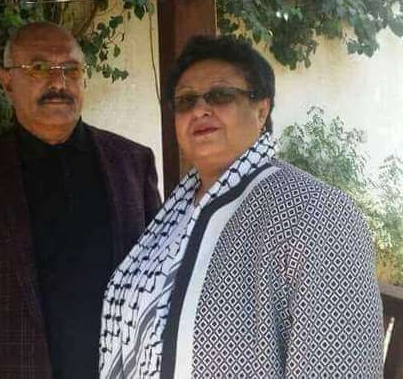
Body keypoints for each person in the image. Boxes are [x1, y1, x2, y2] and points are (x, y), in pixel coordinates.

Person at [100, 35, 383, 378]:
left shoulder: (315, 211)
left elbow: (340, 366)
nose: (199, 110)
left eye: (220, 95)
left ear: (261, 110)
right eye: (186, 101)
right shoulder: (176, 212)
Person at [0, 22, 161, 379]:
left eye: (71, 69)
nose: (58, 83)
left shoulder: (131, 163)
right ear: (6, 81)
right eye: (38, 68)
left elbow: (160, 287)